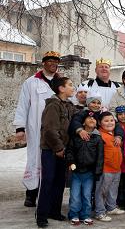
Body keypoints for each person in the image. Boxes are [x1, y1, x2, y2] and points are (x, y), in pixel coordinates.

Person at [13, 51, 61, 207]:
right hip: (36, 129)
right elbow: (23, 104)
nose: (53, 63)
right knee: (35, 160)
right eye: (50, 61)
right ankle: (31, 194)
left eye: (56, 61)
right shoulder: (31, 82)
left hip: (55, 131)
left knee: (53, 162)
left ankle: (50, 197)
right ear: (43, 63)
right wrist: (20, 128)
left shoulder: (61, 82)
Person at [36, 77, 77, 228]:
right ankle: (41, 215)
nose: (74, 88)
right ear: (61, 88)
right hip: (51, 150)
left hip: (63, 150)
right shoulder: (53, 105)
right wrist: (58, 148)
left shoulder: (68, 105)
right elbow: (50, 130)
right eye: (71, 85)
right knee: (48, 181)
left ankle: (54, 211)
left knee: (60, 181)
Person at [66, 112, 104, 226]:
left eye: (94, 118)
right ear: (83, 122)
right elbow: (69, 151)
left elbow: (100, 157)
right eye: (89, 118)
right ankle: (74, 214)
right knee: (75, 195)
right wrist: (71, 162)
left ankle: (85, 215)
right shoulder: (75, 137)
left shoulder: (97, 138)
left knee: (87, 195)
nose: (92, 119)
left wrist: (97, 172)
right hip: (76, 172)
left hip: (89, 173)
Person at [95, 112, 125, 222]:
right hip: (105, 169)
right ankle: (100, 212)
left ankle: (111, 207)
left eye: (111, 120)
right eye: (106, 121)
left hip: (116, 168)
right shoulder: (99, 135)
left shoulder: (115, 134)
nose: (109, 123)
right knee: (102, 191)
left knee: (113, 190)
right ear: (99, 123)